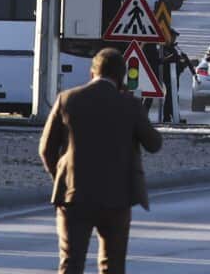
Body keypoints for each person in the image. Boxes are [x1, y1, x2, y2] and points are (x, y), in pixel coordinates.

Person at [40, 48, 163, 274]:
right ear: (121, 77)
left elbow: (46, 149)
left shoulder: (67, 99)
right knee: (112, 265)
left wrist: (61, 178)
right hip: (117, 199)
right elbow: (154, 144)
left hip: (75, 197)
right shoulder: (130, 105)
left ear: (92, 73)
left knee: (71, 263)